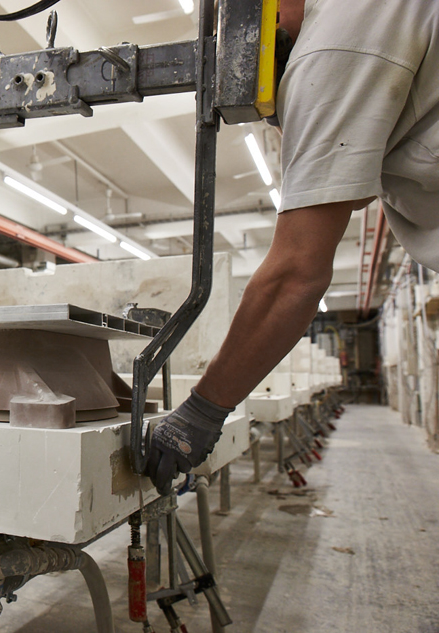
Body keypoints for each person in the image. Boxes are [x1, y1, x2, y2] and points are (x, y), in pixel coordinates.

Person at [146, 0, 439, 492]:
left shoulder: (328, 48)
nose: (280, 127)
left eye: (278, 115)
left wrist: (201, 411)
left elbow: (295, 277)